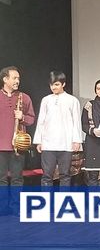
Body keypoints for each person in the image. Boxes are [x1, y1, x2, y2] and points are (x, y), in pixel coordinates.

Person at [33, 71, 82, 187]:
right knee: (47, 175)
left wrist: (77, 140)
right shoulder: (46, 100)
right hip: (48, 144)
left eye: (56, 84)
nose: (53, 87)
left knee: (65, 175)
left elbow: (76, 122)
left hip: (66, 143)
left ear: (63, 84)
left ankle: (63, 203)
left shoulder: (72, 100)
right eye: (51, 85)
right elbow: (41, 121)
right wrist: (39, 141)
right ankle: (47, 202)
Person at [0, 66, 35, 213]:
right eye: (14, 78)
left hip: (17, 146)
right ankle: (2, 208)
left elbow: (32, 119)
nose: (17, 81)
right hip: (0, 146)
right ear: (5, 79)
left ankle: (15, 208)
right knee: (0, 179)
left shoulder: (24, 97)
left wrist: (23, 118)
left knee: (17, 179)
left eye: (18, 78)